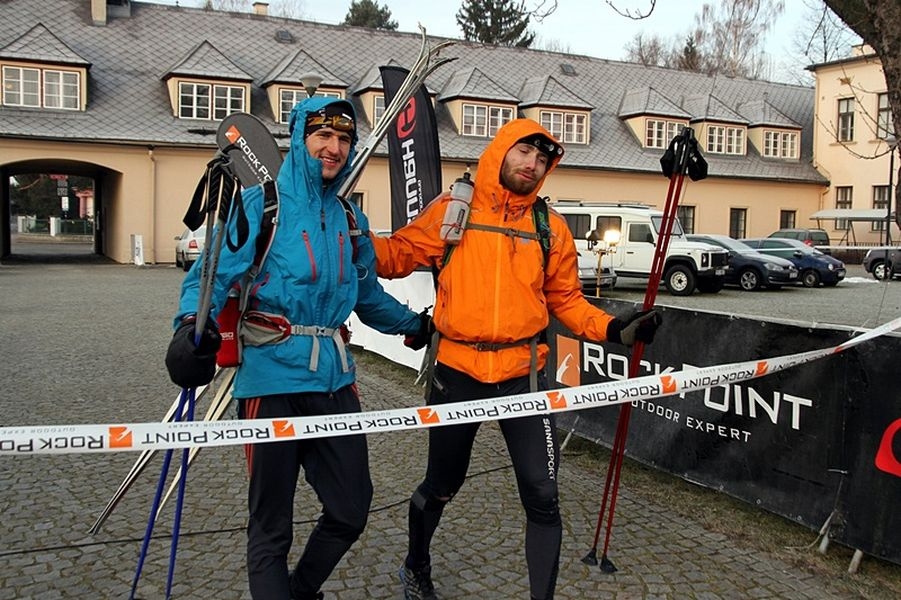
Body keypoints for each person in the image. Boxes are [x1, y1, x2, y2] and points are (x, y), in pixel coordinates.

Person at [371, 118, 662, 600]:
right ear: (501, 151)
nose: (532, 163)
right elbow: (395, 255)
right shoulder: (453, 210)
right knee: (442, 483)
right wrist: (349, 235)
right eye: (524, 152)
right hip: (456, 374)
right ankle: (416, 566)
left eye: (542, 158)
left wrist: (613, 328)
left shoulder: (550, 227)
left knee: (543, 496)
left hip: (522, 379)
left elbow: (566, 301)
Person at [164, 97, 431, 600]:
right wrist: (186, 330)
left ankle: (299, 589)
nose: (333, 148)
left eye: (344, 139)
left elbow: (366, 292)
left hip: (334, 382)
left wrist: (413, 324)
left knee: (351, 508)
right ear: (300, 138)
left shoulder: (349, 217)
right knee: (272, 525)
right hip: (272, 380)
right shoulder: (261, 204)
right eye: (323, 135)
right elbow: (210, 276)